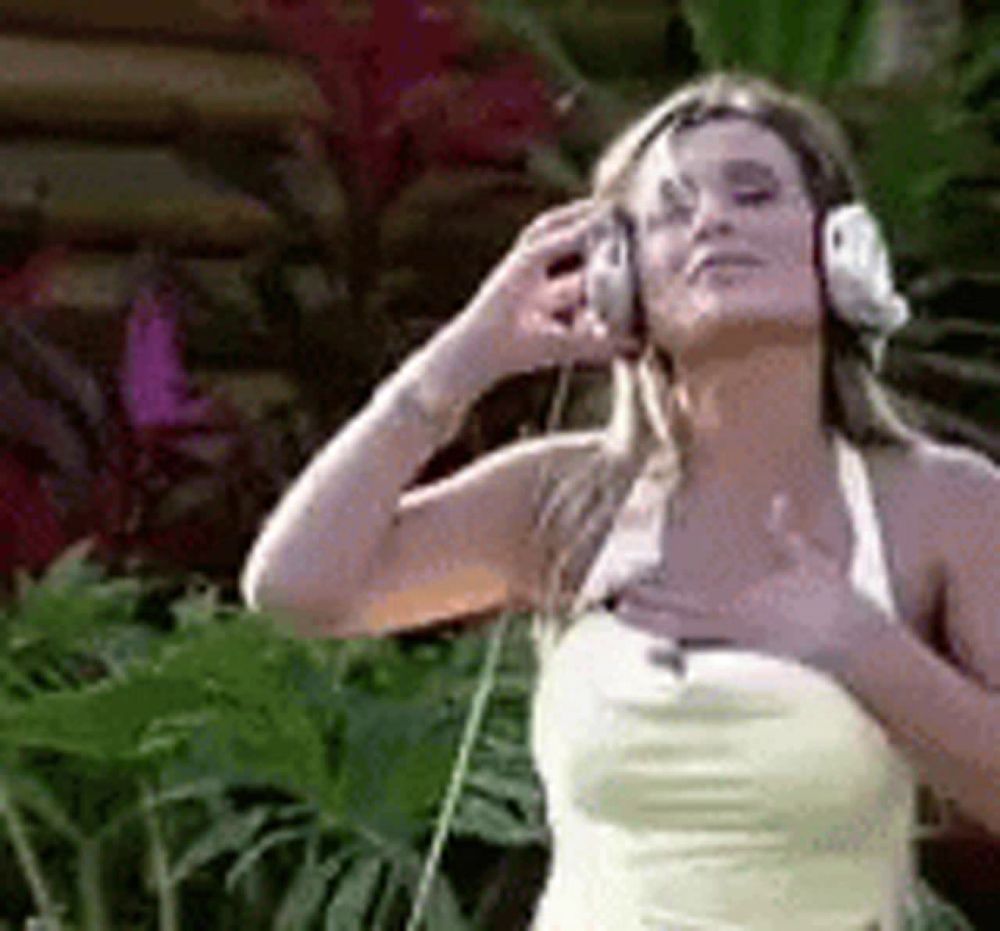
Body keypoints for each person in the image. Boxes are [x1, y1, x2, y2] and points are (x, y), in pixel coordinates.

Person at [241, 73, 997, 929]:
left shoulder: (943, 502)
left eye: (753, 193)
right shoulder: (565, 497)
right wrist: (463, 358)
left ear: (843, 250)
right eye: (671, 210)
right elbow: (297, 589)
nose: (712, 221)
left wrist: (862, 647)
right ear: (621, 282)